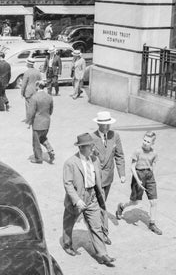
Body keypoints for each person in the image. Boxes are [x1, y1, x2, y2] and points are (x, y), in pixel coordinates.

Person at [62, 133, 116, 266]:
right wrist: (76, 200)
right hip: (78, 198)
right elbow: (67, 183)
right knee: (69, 224)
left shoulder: (95, 160)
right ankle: (67, 245)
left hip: (92, 197)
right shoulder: (70, 163)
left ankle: (102, 254)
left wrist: (100, 194)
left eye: (93, 145)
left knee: (96, 226)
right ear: (81, 148)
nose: (93, 148)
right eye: (90, 146)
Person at [116, 131, 162, 235]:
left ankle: (152, 223)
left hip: (149, 176)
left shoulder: (154, 153)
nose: (145, 143)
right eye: (144, 140)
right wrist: (138, 180)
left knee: (153, 202)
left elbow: (154, 164)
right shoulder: (137, 152)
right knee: (135, 202)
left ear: (152, 143)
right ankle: (122, 206)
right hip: (138, 175)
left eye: (148, 141)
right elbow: (132, 167)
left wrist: (152, 175)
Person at [90, 111, 126, 245]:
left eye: (108, 124)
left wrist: (122, 174)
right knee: (102, 205)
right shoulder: (92, 137)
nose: (106, 127)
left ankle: (97, 224)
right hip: (97, 178)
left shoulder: (115, 136)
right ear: (98, 123)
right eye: (104, 124)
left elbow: (119, 155)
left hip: (109, 177)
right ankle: (104, 233)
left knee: (100, 203)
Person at [26, 80, 55, 164]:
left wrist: (29, 122)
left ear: (37, 86)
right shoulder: (49, 97)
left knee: (36, 142)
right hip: (46, 122)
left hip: (37, 123)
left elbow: (31, 112)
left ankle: (38, 159)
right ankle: (50, 149)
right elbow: (51, 110)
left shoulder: (34, 97)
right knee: (43, 138)